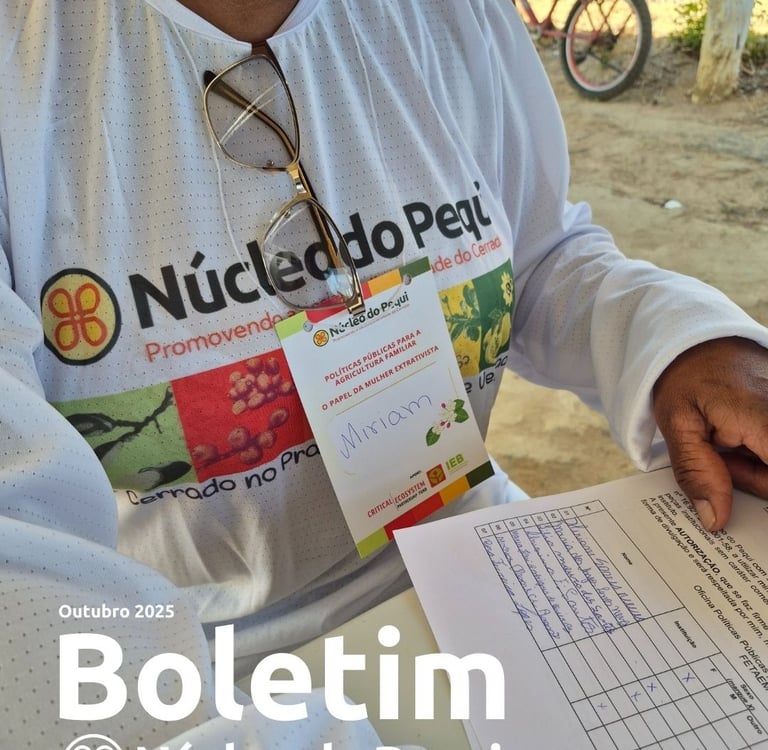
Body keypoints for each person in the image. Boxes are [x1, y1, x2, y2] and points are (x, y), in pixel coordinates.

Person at [2, 0, 768, 746]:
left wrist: (683, 342)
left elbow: (539, 254)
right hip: (201, 672)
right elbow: (21, 585)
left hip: (501, 579)